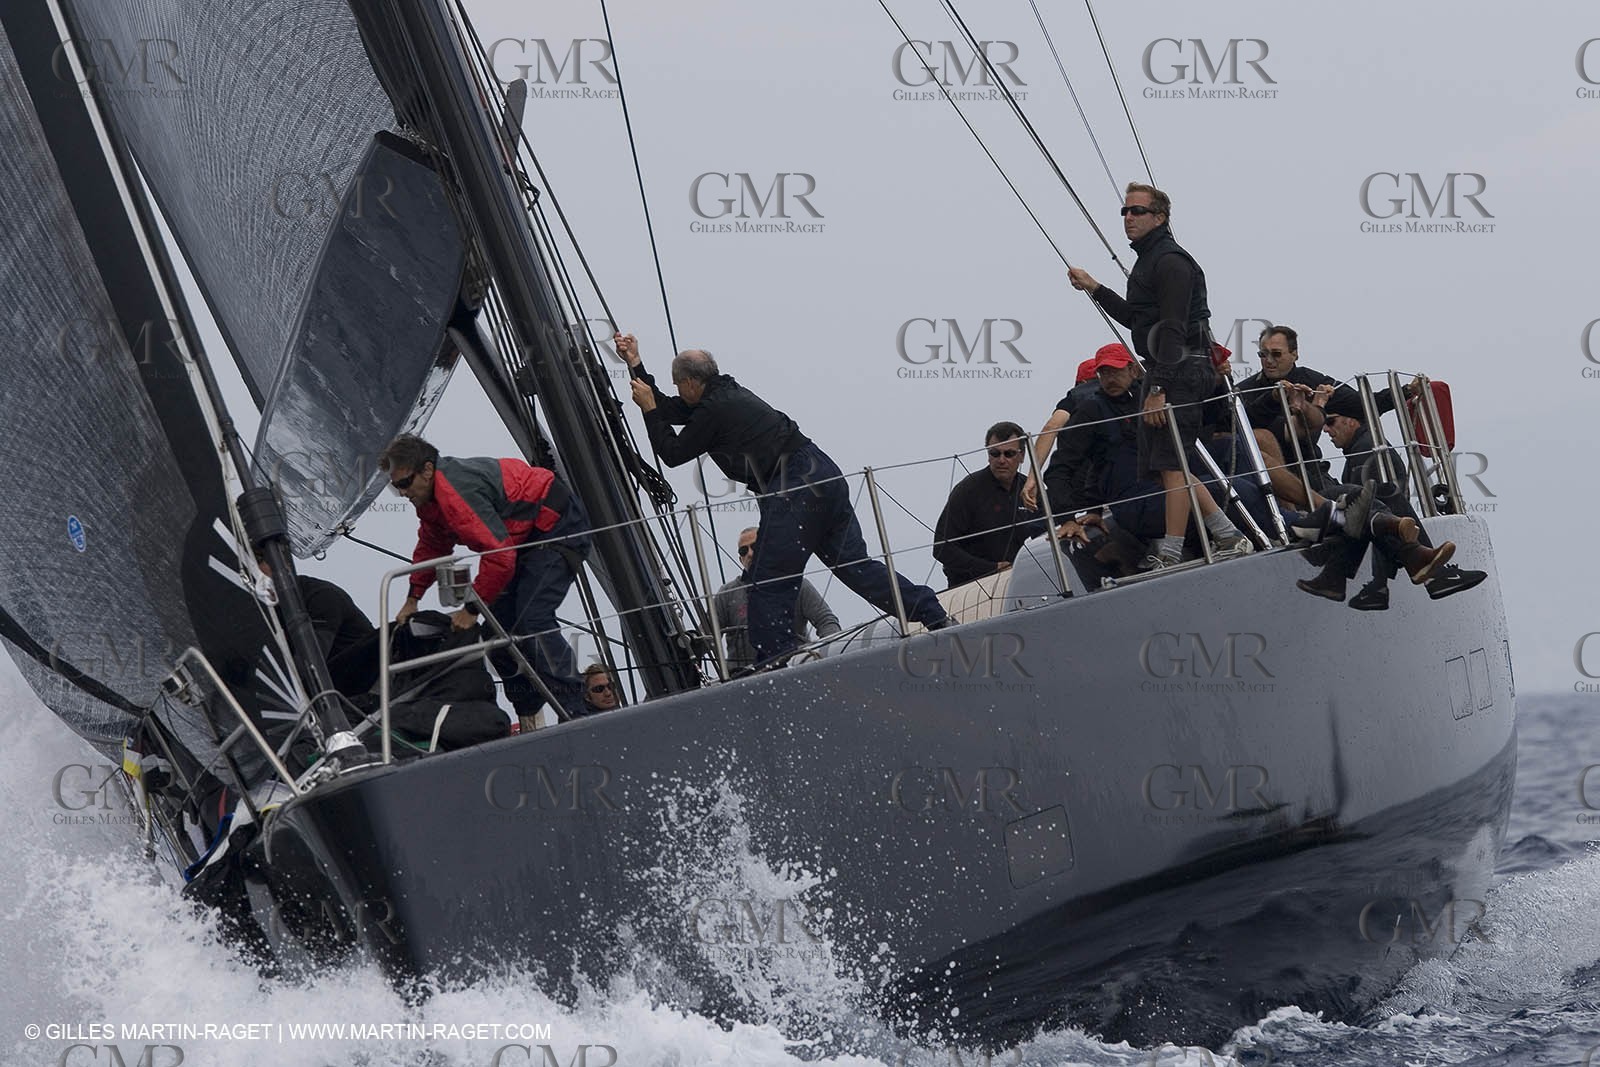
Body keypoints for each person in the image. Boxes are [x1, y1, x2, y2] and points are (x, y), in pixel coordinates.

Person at [619, 333, 952, 667]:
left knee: (768, 579)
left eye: (678, 385)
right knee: (855, 567)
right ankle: (934, 615)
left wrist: (648, 412)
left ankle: (774, 663)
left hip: (796, 484)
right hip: (822, 472)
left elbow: (673, 452)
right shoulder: (721, 395)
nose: (677, 392)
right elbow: (669, 408)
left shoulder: (713, 410)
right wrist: (635, 363)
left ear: (690, 382)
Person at [1067, 183, 1252, 569]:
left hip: (1178, 368)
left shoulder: (1169, 261)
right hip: (1167, 368)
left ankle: (1170, 551)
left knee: (1172, 462)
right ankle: (1228, 534)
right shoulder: (1149, 262)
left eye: (1137, 211)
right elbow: (1138, 319)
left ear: (1160, 217)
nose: (1128, 218)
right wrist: (1095, 288)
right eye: (1125, 212)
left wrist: (1160, 388)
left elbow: (1171, 326)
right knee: (1172, 463)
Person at [380, 433, 589, 719]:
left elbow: (500, 558)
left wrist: (471, 609)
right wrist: (413, 597)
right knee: (495, 632)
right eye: (395, 488)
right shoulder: (430, 503)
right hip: (524, 538)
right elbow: (432, 545)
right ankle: (529, 711)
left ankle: (578, 710)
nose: (402, 493)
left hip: (557, 526)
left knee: (532, 619)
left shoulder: (455, 493)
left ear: (427, 470)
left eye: (404, 483)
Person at [933, 421, 1048, 587]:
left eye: (1009, 454)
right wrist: (991, 568)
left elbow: (1048, 533)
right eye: (995, 453)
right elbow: (941, 548)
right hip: (973, 586)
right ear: (988, 454)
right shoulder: (969, 489)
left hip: (1023, 578)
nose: (1001, 460)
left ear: (1022, 456)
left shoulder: (1031, 489)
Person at [715, 527, 842, 670]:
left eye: (755, 546)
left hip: (794, 672)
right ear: (740, 559)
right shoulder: (727, 594)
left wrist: (829, 658)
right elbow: (707, 637)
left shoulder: (797, 585)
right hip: (742, 679)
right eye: (743, 551)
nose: (750, 553)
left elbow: (826, 621)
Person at [1021, 347, 1123, 517]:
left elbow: (1051, 427)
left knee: (1047, 510)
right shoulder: (1126, 393)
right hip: (1124, 468)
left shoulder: (1076, 396)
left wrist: (1033, 476)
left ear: (1081, 383)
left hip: (1085, 472)